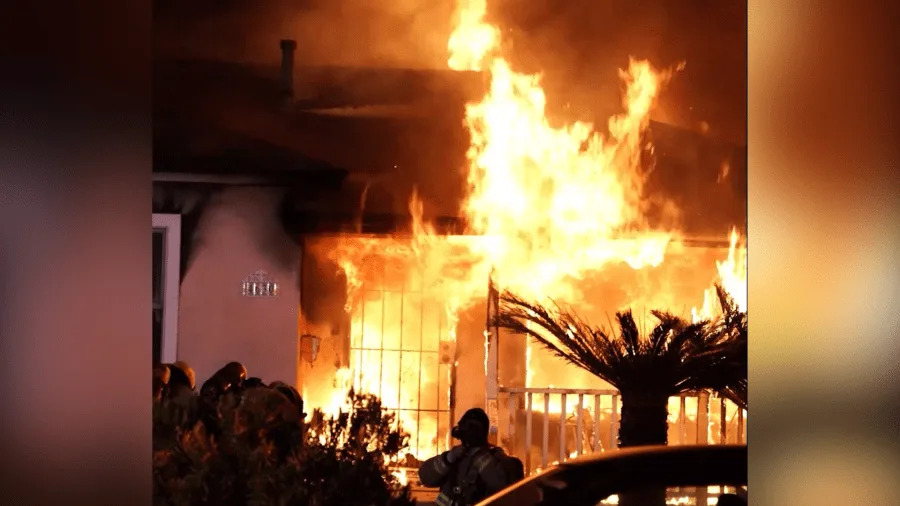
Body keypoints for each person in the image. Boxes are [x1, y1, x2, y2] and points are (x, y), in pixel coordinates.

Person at [419, 408, 518, 506]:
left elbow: (505, 488)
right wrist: (448, 459)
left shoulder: (495, 458)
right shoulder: (455, 457)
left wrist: (480, 457)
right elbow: (425, 477)